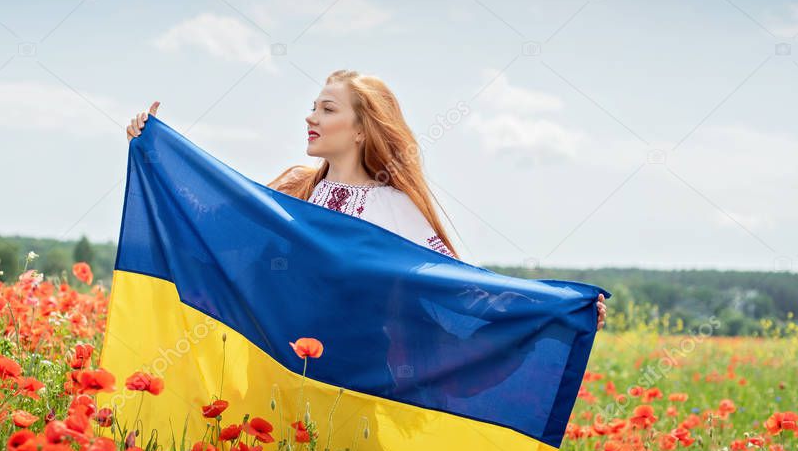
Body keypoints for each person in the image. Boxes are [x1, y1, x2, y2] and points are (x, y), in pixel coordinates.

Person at [126, 69, 607, 330]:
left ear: (360, 130)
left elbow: (461, 288)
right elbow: (211, 228)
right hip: (273, 365)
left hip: (348, 378)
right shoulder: (294, 189)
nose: (311, 116)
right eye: (313, 106)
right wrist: (155, 153)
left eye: (327, 109)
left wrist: (558, 308)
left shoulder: (392, 208)